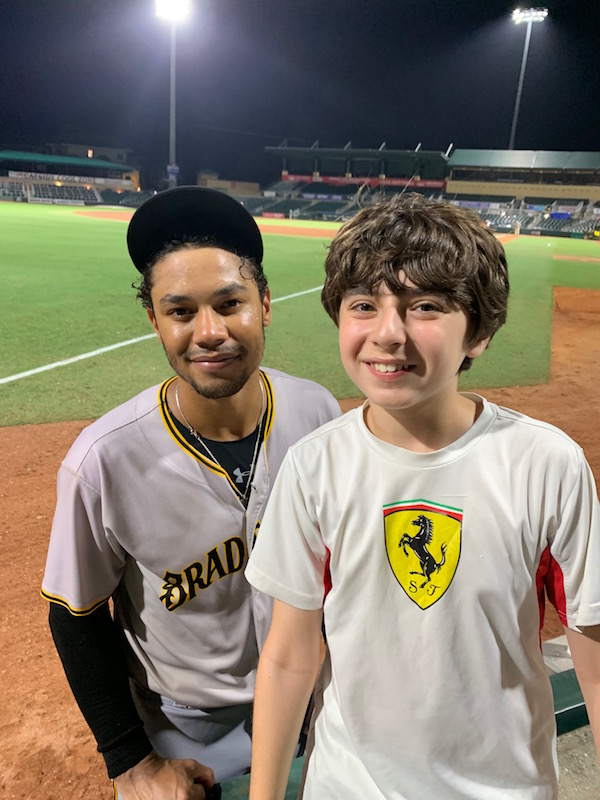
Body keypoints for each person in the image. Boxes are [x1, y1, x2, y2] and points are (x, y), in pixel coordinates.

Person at [245, 193, 600, 799]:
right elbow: (288, 656)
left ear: (478, 333)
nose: (388, 333)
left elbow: (592, 648)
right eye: (364, 305)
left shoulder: (545, 463)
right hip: (348, 786)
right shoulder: (314, 466)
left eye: (426, 306)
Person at [41, 187, 340, 799]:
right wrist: (131, 762)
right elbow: (74, 615)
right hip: (188, 731)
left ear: (265, 305)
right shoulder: (103, 461)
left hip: (311, 699)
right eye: (180, 311)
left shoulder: (316, 412)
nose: (209, 332)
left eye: (230, 304)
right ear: (155, 321)